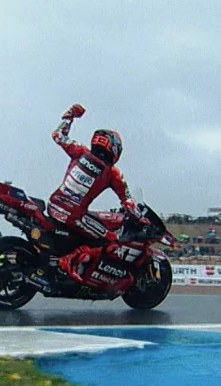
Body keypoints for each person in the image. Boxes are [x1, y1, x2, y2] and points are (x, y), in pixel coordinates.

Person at [32, 103, 149, 288]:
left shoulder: (79, 151)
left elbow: (58, 135)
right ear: (115, 149)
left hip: (53, 206)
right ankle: (68, 262)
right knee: (110, 239)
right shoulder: (113, 173)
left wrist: (69, 116)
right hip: (73, 216)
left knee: (90, 232)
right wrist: (142, 219)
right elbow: (128, 202)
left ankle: (67, 257)